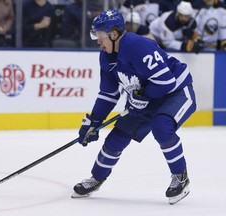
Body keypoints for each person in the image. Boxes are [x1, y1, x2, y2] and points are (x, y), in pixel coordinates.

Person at [71, 9, 196, 205]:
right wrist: (94, 121)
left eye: (100, 36)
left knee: (161, 126)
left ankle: (180, 176)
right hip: (145, 97)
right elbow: (108, 94)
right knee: (116, 138)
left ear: (114, 34)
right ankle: (96, 178)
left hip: (176, 92)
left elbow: (166, 81)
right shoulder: (106, 57)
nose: (98, 41)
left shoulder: (138, 46)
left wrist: (144, 96)